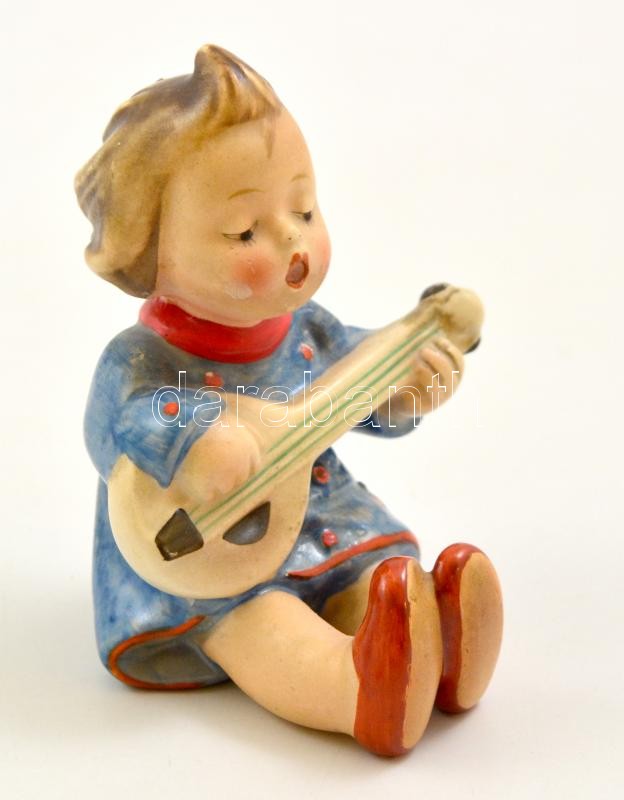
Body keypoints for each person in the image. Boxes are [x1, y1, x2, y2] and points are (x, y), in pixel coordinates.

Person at [76, 44, 502, 757]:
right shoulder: (141, 359)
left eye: (303, 210)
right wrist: (195, 441)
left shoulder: (311, 331)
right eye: (245, 231)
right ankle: (354, 691)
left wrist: (407, 389)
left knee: (374, 572)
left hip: (323, 515)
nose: (293, 242)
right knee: (261, 624)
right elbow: (117, 425)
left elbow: (360, 390)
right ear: (150, 256)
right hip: (206, 558)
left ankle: (438, 637)